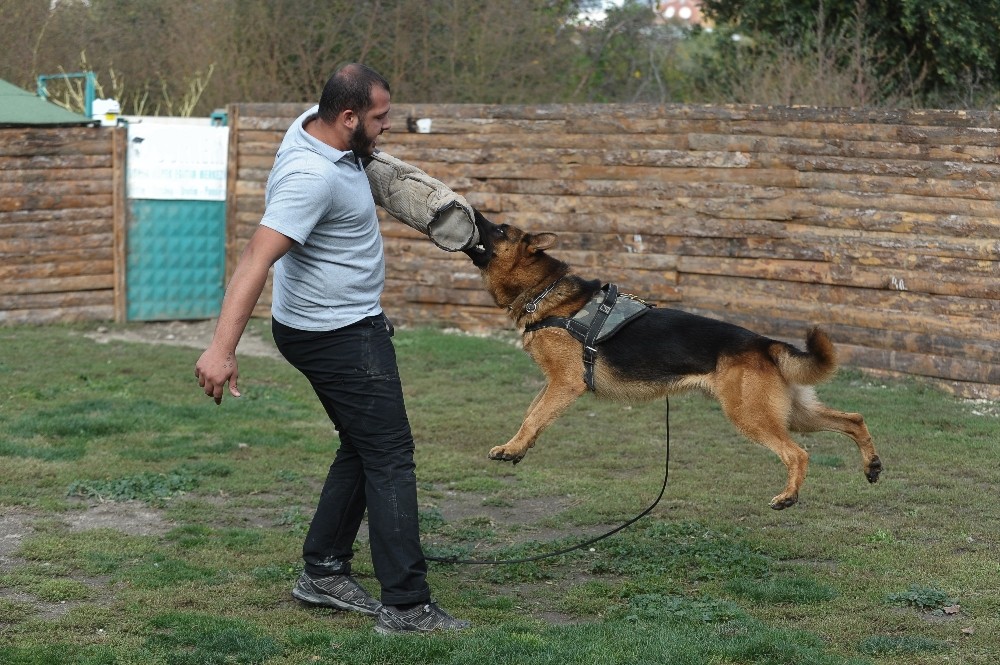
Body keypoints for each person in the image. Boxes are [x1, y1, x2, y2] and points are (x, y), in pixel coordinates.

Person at [194, 63, 469, 635]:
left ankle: (322, 568)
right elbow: (254, 259)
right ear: (347, 118)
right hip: (336, 335)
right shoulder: (309, 177)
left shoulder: (312, 129)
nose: (388, 126)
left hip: (334, 323)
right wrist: (221, 349)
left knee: (363, 446)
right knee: (391, 456)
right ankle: (407, 605)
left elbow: (355, 156)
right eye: (378, 118)